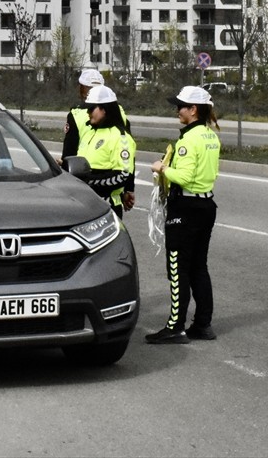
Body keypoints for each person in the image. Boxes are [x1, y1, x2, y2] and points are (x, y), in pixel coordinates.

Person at [146, 85, 221, 344]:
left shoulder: (189, 139)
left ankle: (175, 326)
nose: (177, 111)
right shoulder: (211, 136)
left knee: (178, 269)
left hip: (186, 208)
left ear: (194, 110)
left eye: (181, 106)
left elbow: (186, 177)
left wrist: (162, 169)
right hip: (206, 205)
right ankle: (203, 324)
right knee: (199, 267)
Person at [74, 85, 137, 217]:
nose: (88, 113)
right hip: (84, 203)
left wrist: (88, 181)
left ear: (105, 109)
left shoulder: (120, 137)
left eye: (91, 109)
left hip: (106, 206)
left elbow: (123, 175)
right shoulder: (90, 133)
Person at [61, 68, 104, 168]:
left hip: (83, 172)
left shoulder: (76, 114)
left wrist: (64, 165)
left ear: (83, 90)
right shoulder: (119, 111)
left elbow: (69, 152)